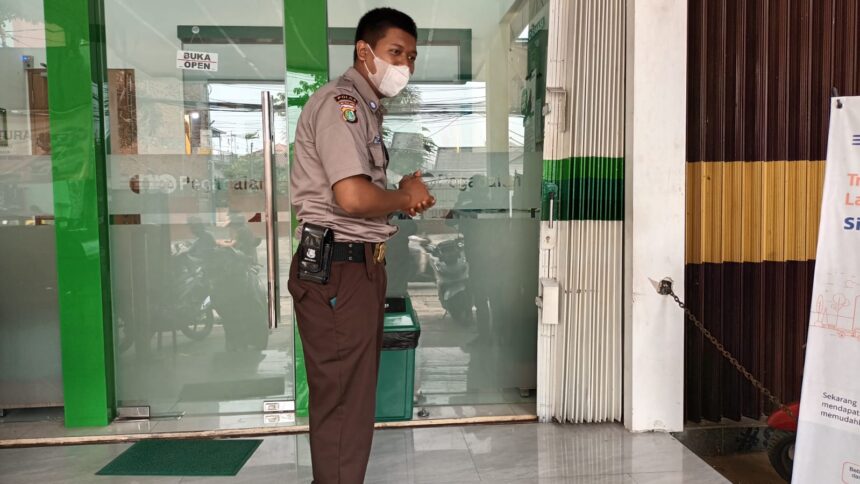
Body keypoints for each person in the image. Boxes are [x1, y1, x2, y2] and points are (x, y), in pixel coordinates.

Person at [287, 8, 434, 484]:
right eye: (395, 53)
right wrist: (403, 196)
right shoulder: (341, 105)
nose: (404, 66)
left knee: (350, 400)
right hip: (340, 270)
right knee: (344, 402)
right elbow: (350, 197)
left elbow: (363, 194)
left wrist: (398, 196)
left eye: (411, 57)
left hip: (356, 269)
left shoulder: (367, 110)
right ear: (363, 51)